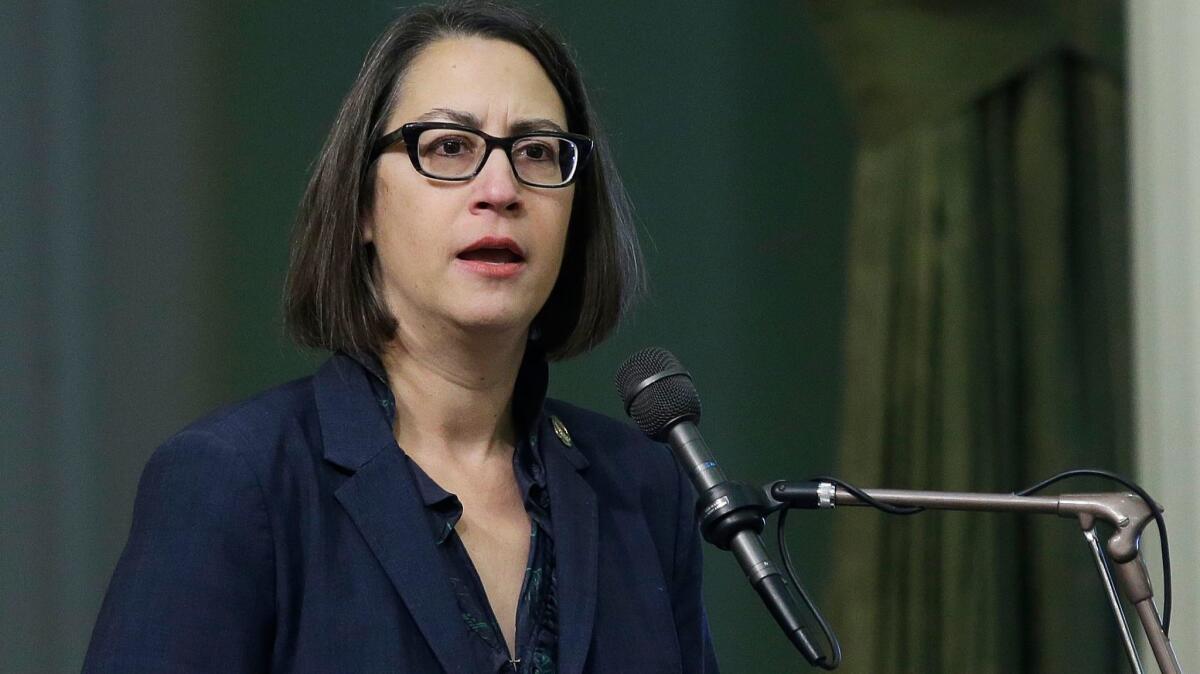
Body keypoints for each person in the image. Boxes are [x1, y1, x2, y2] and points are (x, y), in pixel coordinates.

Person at [81, 2, 718, 672]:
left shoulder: (642, 490)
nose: (500, 188)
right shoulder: (234, 480)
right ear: (362, 207)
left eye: (536, 152)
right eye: (449, 147)